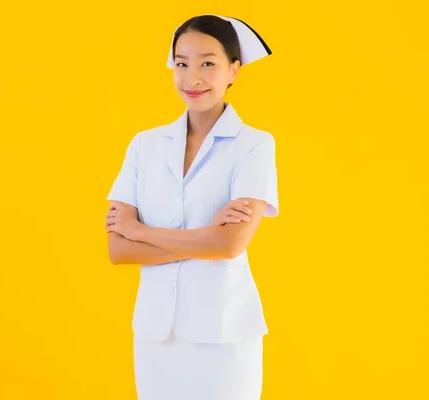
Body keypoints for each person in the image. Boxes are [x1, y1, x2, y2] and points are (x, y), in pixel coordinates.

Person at [105, 14, 279, 400]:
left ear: (234, 69)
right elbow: (118, 250)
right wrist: (205, 239)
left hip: (224, 332)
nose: (192, 78)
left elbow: (230, 246)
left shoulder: (253, 145)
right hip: (156, 337)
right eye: (181, 64)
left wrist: (140, 231)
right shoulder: (144, 146)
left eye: (208, 63)